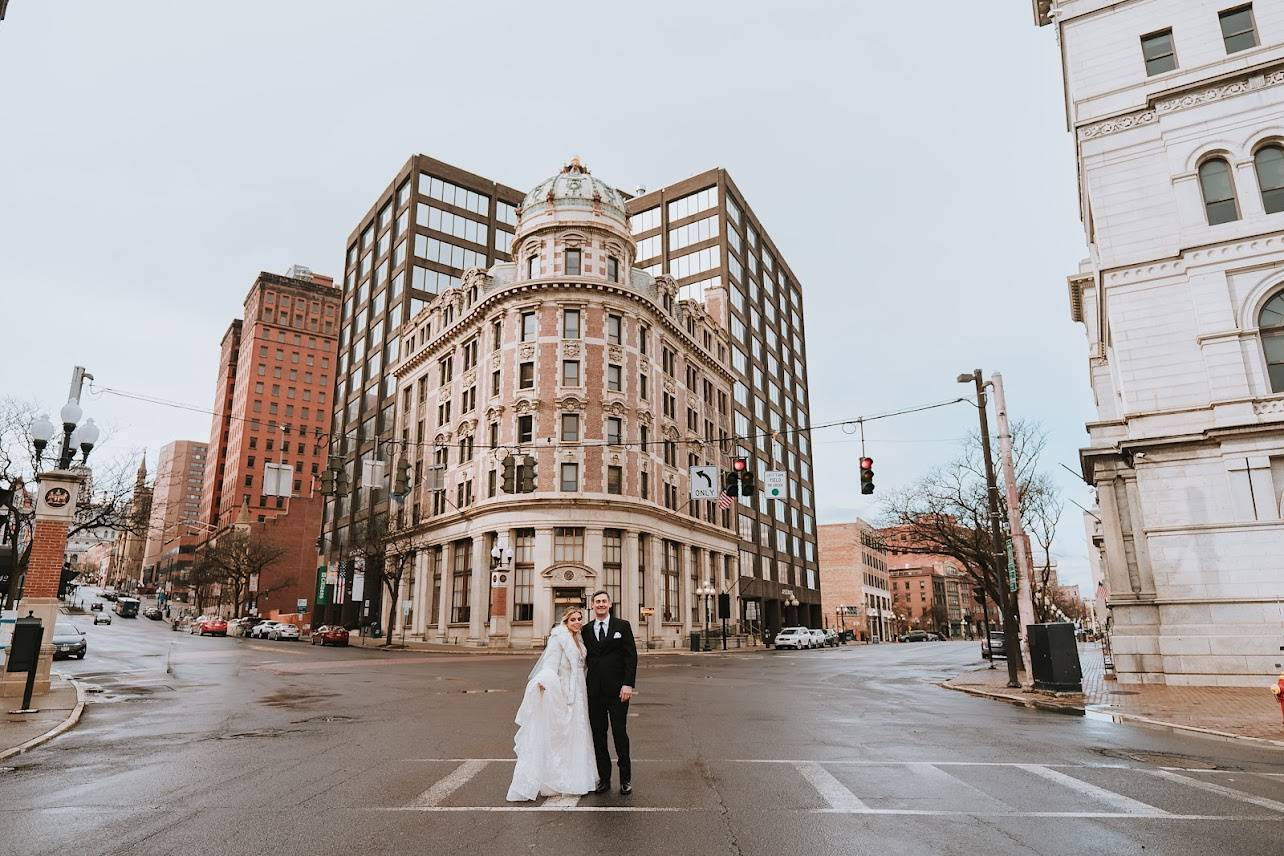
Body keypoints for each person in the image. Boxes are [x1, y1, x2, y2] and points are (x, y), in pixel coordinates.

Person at [506, 607, 597, 801]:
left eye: (579, 618)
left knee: (578, 733)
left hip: (580, 692)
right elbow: (550, 664)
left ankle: (579, 777)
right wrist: (543, 682)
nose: (577, 622)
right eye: (573, 619)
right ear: (565, 621)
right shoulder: (559, 638)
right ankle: (559, 779)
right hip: (564, 691)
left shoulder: (579, 639)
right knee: (561, 735)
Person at [582, 590, 637, 795]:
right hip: (594, 692)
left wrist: (628, 684)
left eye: (604, 601)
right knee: (598, 736)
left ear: (610, 604)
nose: (601, 604)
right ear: (593, 605)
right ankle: (604, 779)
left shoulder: (622, 626)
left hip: (618, 692)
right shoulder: (586, 629)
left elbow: (631, 657)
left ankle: (625, 779)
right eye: (597, 602)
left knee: (619, 734)